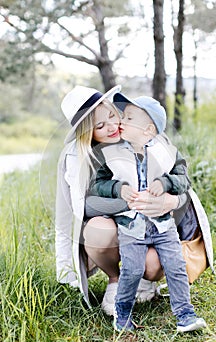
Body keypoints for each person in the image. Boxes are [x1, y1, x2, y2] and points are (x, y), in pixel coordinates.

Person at [55, 85, 184, 316]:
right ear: (88, 133)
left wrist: (170, 202)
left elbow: (183, 185)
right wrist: (130, 201)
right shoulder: (80, 156)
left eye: (113, 116)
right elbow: (76, 207)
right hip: (115, 225)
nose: (113, 127)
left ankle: (146, 280)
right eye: (100, 126)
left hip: (151, 227)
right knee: (98, 230)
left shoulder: (146, 135)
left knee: (155, 264)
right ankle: (115, 280)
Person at [89, 92, 207, 332]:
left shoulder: (167, 152)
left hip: (163, 226)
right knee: (131, 270)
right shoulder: (110, 153)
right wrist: (118, 188)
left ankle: (185, 315)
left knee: (175, 266)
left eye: (128, 117)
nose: (121, 121)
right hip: (131, 227)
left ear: (148, 130)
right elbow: (97, 184)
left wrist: (165, 184)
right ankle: (122, 316)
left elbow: (184, 179)